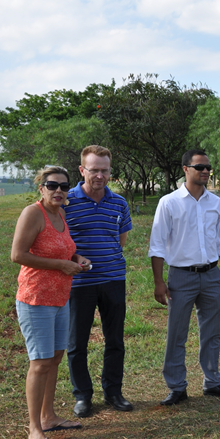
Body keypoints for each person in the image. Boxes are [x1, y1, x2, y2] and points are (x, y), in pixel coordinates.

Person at [148, 149, 220, 405]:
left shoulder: (215, 203)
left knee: (212, 332)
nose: (205, 172)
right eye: (200, 167)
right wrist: (159, 281)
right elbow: (157, 246)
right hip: (181, 277)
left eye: (208, 168)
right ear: (185, 169)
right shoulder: (169, 202)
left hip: (212, 275)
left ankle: (212, 382)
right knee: (177, 334)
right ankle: (177, 387)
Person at [11, 166, 92, 439]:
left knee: (55, 358)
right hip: (36, 300)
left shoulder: (61, 214)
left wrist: (76, 257)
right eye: (52, 185)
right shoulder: (33, 213)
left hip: (60, 298)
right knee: (40, 362)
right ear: (41, 188)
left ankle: (48, 416)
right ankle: (34, 428)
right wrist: (61, 265)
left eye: (64, 186)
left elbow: (63, 249)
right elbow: (17, 255)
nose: (59, 190)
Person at [65, 145, 133, 418]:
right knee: (76, 343)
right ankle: (82, 396)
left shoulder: (119, 203)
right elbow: (58, 240)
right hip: (79, 284)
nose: (100, 175)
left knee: (115, 339)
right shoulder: (66, 202)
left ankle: (113, 391)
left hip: (113, 279)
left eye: (105, 170)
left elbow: (121, 240)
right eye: (94, 170)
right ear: (82, 170)